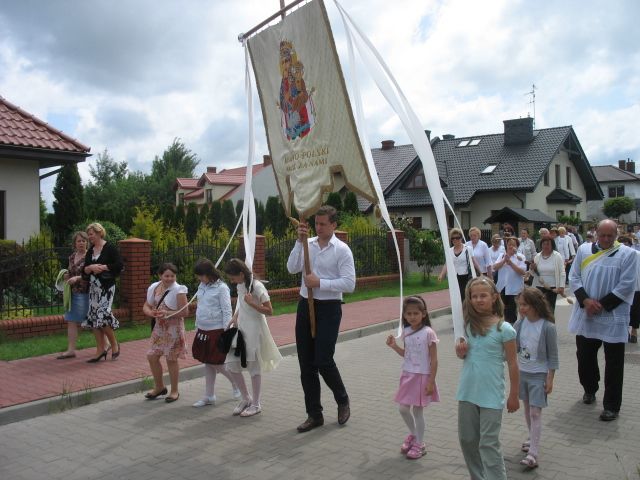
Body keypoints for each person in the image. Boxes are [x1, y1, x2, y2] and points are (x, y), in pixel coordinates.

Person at [287, 205, 355, 432]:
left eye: (323, 224)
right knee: (306, 363)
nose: (318, 227)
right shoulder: (308, 244)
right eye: (316, 223)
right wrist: (299, 242)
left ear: (334, 225)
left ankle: (342, 399)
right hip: (305, 305)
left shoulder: (342, 250)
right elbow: (291, 268)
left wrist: (320, 283)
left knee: (323, 359)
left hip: (329, 308)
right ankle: (314, 414)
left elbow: (349, 283)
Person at [568, 219, 637, 421]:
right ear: (596, 233)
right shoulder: (584, 250)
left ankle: (612, 406)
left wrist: (601, 305)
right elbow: (574, 277)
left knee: (614, 363)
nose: (606, 239)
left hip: (613, 315)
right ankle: (590, 388)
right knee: (584, 357)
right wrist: (586, 301)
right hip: (586, 313)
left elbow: (627, 284)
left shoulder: (628, 254)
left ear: (617, 235)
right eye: (603, 235)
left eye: (610, 235)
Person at [455, 276, 519, 480]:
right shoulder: (468, 326)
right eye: (474, 296)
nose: (478, 300)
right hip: (467, 392)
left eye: (483, 295)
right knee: (467, 440)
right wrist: (461, 352)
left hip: (491, 395)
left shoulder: (504, 329)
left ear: (494, 297)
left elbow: (513, 364)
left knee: (488, 444)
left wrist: (514, 395)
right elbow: (464, 355)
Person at [223, 258, 282, 417]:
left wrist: (252, 304)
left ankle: (256, 404)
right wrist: (235, 316)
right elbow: (241, 304)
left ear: (241, 274)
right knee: (231, 364)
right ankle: (246, 398)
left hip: (254, 331)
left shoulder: (257, 286)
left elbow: (269, 311)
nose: (231, 281)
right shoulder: (240, 285)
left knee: (253, 367)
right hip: (241, 329)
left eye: (233, 277)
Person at [386, 296, 439, 460]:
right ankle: (414, 434)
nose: (412, 317)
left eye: (416, 313)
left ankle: (420, 444)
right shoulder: (406, 332)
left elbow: (434, 360)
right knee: (403, 409)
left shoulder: (428, 333)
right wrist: (394, 347)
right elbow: (407, 354)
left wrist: (431, 382)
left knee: (417, 411)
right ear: (404, 315)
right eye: (408, 314)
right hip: (407, 375)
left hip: (422, 377)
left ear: (424, 314)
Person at [514, 288, 559, 469]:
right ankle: (532, 437)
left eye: (525, 305)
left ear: (536, 305)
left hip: (539, 375)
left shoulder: (548, 327)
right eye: (520, 305)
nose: (521, 308)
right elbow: (512, 347)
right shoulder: (519, 324)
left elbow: (553, 356)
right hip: (522, 373)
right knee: (527, 409)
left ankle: (533, 453)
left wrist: (550, 378)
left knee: (535, 412)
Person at [191, 259, 240, 407]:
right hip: (203, 328)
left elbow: (227, 310)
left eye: (201, 275)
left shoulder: (222, 288)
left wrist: (227, 331)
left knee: (217, 363)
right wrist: (197, 325)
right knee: (207, 362)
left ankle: (236, 382)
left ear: (209, 273)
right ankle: (209, 395)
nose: (199, 278)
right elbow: (200, 306)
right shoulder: (202, 286)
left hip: (217, 329)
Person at [142, 263, 188, 403]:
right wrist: (150, 313)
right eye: (166, 276)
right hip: (159, 328)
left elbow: (185, 312)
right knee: (152, 356)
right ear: (160, 275)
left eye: (172, 276)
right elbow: (147, 305)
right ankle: (159, 387)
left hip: (173, 329)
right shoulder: (154, 287)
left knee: (171, 359)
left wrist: (167, 313)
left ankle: (174, 391)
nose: (170, 279)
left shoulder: (179, 290)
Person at [82, 223, 123, 363]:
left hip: (106, 287)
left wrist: (104, 267)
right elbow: (84, 270)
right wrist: (90, 268)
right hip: (94, 288)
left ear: (99, 233)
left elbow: (119, 265)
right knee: (94, 317)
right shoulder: (90, 250)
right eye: (88, 234)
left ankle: (114, 344)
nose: (89, 237)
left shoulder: (110, 248)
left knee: (103, 315)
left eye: (91, 234)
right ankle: (100, 350)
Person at [57, 231, 90, 360]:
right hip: (72, 293)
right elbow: (71, 271)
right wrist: (66, 276)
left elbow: (91, 275)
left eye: (83, 241)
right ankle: (71, 350)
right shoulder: (71, 257)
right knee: (71, 320)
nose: (81, 243)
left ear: (87, 242)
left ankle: (107, 343)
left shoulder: (90, 256)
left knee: (91, 320)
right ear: (75, 243)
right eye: (78, 241)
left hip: (85, 292)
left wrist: (78, 278)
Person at [438, 228, 481, 298]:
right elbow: (447, 264)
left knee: (465, 295)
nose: (455, 240)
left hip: (466, 277)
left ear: (461, 238)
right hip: (454, 278)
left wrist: (481, 272)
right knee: (456, 296)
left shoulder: (468, 249)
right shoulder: (449, 251)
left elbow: (474, 261)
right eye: (453, 238)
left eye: (457, 238)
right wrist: (442, 274)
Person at [493, 237, 526, 323]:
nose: (511, 246)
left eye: (513, 245)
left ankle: (512, 327)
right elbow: (495, 267)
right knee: (502, 311)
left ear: (517, 247)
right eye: (509, 244)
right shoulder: (502, 255)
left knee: (512, 312)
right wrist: (504, 260)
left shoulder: (520, 257)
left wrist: (511, 263)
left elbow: (522, 272)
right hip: (502, 287)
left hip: (515, 289)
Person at [530, 237, 565, 312]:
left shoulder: (557, 256)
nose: (545, 246)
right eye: (544, 244)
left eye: (548, 244)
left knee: (549, 309)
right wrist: (532, 268)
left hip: (552, 288)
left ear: (552, 245)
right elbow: (532, 274)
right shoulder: (537, 256)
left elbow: (562, 272)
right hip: (538, 286)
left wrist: (561, 286)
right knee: (538, 309)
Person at [618, 236, 640, 343]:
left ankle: (634, 332)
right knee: (622, 310)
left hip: (636, 287)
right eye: (621, 243)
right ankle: (625, 331)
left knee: (635, 310)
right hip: (621, 288)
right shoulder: (617, 255)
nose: (624, 245)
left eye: (625, 243)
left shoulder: (637, 254)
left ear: (630, 244)